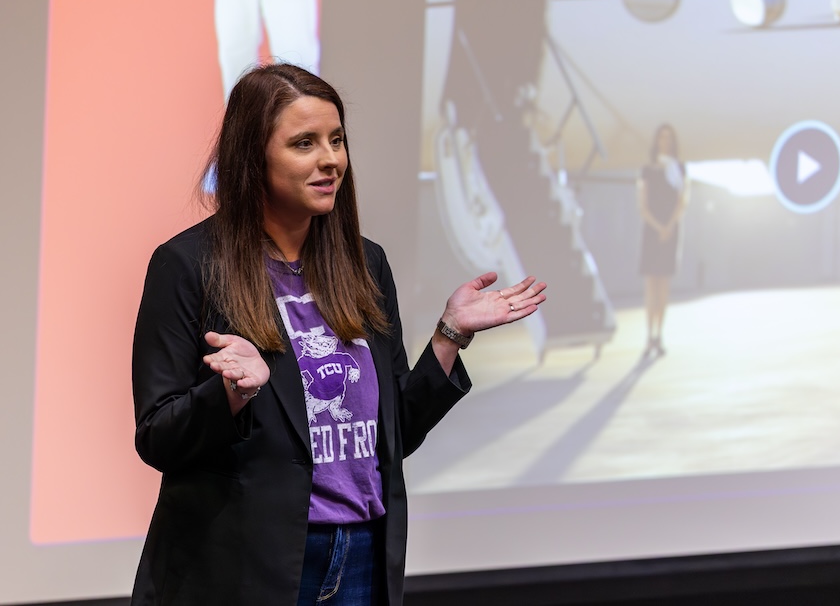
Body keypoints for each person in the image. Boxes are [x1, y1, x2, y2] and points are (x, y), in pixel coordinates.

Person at [130, 63, 547, 605]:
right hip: (249, 567)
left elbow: (394, 436)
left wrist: (449, 336)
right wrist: (231, 392)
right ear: (252, 157)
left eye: (336, 140)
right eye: (304, 143)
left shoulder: (366, 264)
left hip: (361, 559)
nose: (330, 159)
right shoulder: (188, 265)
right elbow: (157, 436)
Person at [636, 123, 688, 358]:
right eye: (661, 137)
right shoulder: (647, 170)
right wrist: (658, 227)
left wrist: (669, 226)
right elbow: (643, 205)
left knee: (664, 285)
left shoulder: (679, 169)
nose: (665, 141)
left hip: (670, 231)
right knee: (651, 285)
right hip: (652, 231)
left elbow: (682, 201)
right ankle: (649, 335)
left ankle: (660, 334)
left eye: (669, 137)